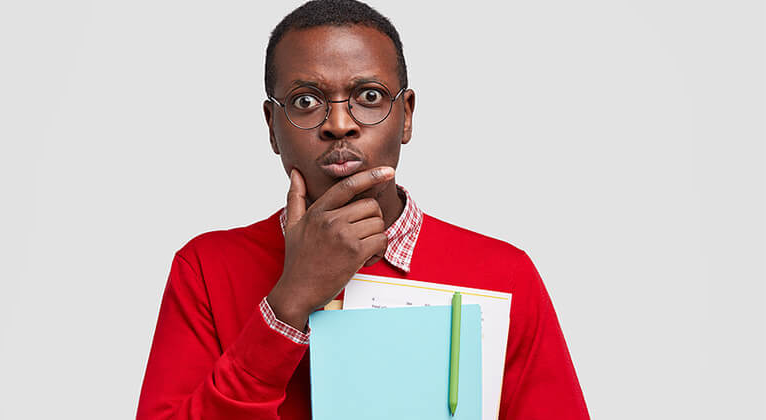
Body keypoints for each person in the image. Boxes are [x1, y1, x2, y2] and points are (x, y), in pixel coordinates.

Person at [136, 1, 590, 419]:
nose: (339, 124)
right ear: (272, 127)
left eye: (369, 97)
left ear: (406, 115)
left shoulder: (505, 274)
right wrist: (287, 304)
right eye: (306, 101)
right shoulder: (205, 269)